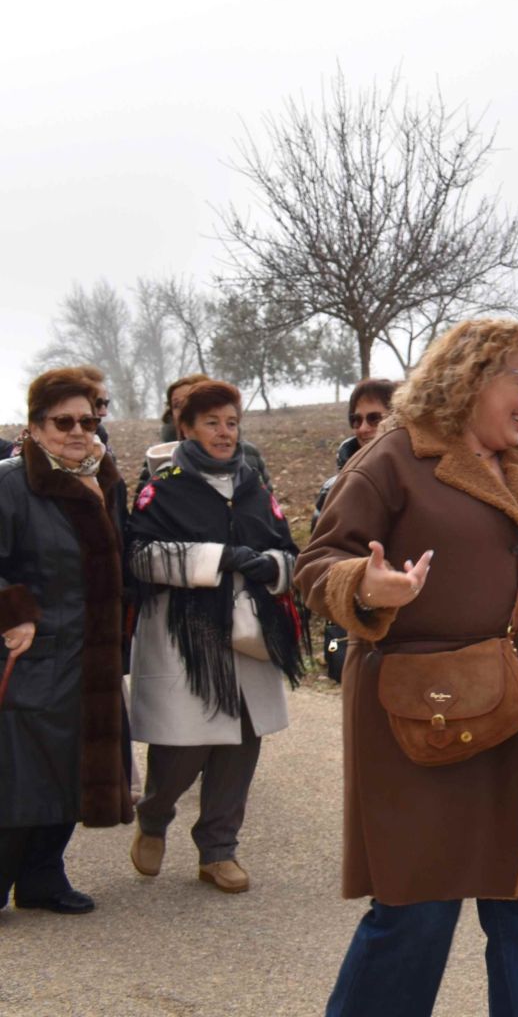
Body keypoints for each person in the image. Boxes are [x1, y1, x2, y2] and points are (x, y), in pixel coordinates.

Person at [294, 318, 518, 1017]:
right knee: (415, 918)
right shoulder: (394, 459)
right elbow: (317, 565)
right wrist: (367, 585)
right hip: (428, 725)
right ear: (472, 377)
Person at [125, 379, 302, 895]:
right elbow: (139, 557)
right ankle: (155, 816)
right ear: (186, 428)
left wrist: (268, 565)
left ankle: (218, 850)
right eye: (211, 423)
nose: (225, 433)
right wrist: (214, 559)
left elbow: (291, 553)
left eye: (231, 423)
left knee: (243, 741)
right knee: (184, 748)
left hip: (247, 636)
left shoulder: (253, 486)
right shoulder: (165, 486)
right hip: (187, 635)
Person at [0, 368, 135, 915]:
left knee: (75, 768)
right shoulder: (11, 482)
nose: (78, 431)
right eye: (62, 422)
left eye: (87, 419)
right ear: (35, 427)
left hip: (94, 655)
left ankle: (43, 878)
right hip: (33, 650)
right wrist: (14, 613)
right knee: (22, 774)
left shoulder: (102, 478)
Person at [313, 378, 398, 683]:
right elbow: (317, 564)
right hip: (357, 630)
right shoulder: (334, 489)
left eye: (374, 418)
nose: (362, 428)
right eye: (356, 419)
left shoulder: (426, 479)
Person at [142, 372, 272, 490]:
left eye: (191, 402)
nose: (184, 410)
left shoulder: (249, 455)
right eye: (177, 405)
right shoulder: (158, 460)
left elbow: (268, 507)